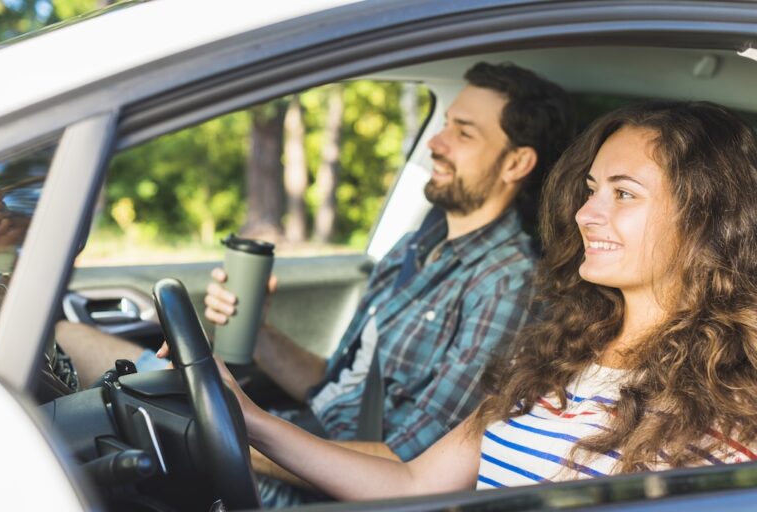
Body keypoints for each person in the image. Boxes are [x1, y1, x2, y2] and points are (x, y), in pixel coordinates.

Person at [58, 62, 575, 506]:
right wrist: (258, 332)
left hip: (318, 485)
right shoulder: (417, 245)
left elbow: (410, 464)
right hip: (300, 432)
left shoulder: (508, 285)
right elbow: (335, 384)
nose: (436, 143)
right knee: (69, 341)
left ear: (516, 163)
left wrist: (240, 434)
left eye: (464, 132)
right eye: (444, 124)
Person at [213, 100, 757, 499]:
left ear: (706, 217)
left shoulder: (733, 401)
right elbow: (412, 481)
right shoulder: (557, 352)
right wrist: (251, 420)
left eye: (623, 193)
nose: (586, 213)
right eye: (591, 189)